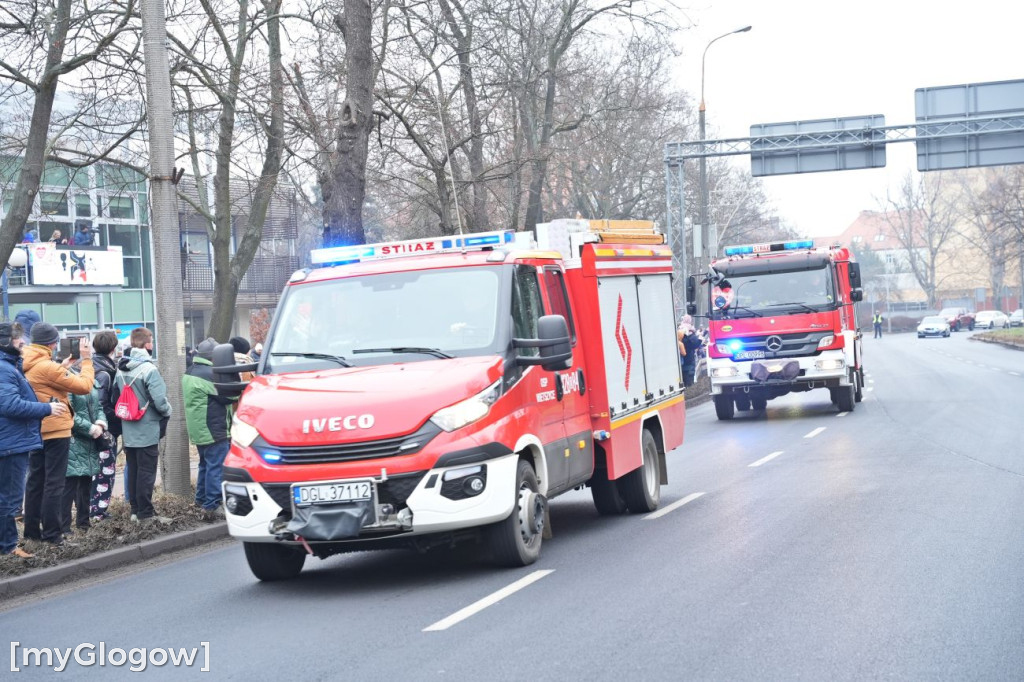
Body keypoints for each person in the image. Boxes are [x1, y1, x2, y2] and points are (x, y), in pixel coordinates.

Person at [21, 322, 94, 546]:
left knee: (35, 481)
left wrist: (60, 367)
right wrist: (87, 359)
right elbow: (84, 386)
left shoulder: (28, 361)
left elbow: (46, 381)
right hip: (55, 428)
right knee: (54, 482)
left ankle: (32, 532)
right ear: (52, 343)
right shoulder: (48, 367)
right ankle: (53, 534)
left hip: (36, 428)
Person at [0, 322, 67, 558]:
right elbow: (9, 405)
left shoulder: (10, 366)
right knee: (9, 499)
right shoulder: (5, 368)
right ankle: (7, 549)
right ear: (6, 342)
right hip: (9, 443)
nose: (23, 343)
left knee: (12, 496)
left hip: (11, 440)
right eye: (19, 339)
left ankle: (9, 545)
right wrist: (46, 408)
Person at [115, 327, 172, 523]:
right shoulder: (149, 369)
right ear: (147, 344)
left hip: (128, 428)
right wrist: (167, 411)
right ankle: (146, 514)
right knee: (147, 472)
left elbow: (116, 396)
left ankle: (135, 511)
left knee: (134, 469)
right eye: (152, 341)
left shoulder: (121, 369)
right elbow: (160, 400)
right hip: (147, 427)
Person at [183, 338, 236, 516]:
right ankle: (212, 505)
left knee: (205, 464)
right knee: (216, 465)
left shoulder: (191, 370)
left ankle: (201, 501)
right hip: (213, 427)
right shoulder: (209, 374)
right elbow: (229, 397)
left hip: (200, 428)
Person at [63, 361, 106, 535]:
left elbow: (99, 406)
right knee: (69, 486)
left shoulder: (91, 383)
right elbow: (69, 414)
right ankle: (64, 527)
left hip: (90, 441)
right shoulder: (68, 382)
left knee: (86, 483)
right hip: (74, 440)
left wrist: (100, 423)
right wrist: (90, 428)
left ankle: (83, 522)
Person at [89, 331, 121, 521]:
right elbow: (101, 404)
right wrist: (117, 418)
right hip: (103, 430)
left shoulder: (87, 366)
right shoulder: (106, 373)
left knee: (92, 471)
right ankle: (98, 512)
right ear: (113, 348)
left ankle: (90, 510)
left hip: (87, 428)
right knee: (105, 472)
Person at [678, 315, 703, 388]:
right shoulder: (691, 332)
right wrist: (700, 340)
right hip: (689, 360)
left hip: (679, 362)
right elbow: (694, 345)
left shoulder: (679, 330)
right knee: (689, 381)